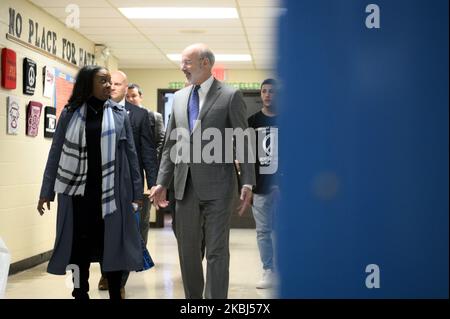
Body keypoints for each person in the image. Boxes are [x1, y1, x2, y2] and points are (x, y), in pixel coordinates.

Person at [151, 43, 255, 299]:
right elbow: (171, 144)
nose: (182, 67)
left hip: (219, 186)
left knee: (217, 250)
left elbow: (243, 140)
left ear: (205, 63)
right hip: (184, 186)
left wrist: (248, 182)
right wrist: (161, 182)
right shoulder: (179, 98)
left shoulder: (230, 96)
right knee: (187, 251)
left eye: (187, 62)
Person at [37, 65, 144, 299]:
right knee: (78, 250)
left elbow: (131, 156)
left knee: (113, 247)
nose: (109, 86)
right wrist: (46, 191)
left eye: (110, 81)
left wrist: (137, 192)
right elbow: (55, 153)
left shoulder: (118, 114)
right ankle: (79, 293)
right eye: (103, 81)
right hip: (77, 195)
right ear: (88, 84)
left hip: (112, 194)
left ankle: (116, 292)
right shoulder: (69, 114)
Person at [97, 71, 157, 297]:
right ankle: (107, 271)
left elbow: (148, 152)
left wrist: (153, 184)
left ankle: (119, 280)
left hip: (131, 185)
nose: (111, 86)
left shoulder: (140, 115)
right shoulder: (96, 110)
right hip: (103, 184)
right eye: (108, 83)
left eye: (116, 83)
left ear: (125, 87)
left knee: (130, 233)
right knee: (105, 232)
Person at [247, 78, 280, 289]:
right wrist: (248, 185)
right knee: (263, 231)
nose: (268, 95)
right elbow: (248, 156)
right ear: (260, 94)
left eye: (272, 91)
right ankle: (269, 270)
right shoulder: (252, 121)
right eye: (264, 91)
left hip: (285, 186)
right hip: (260, 185)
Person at [127, 83, 165, 161]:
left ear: (140, 97)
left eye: (134, 96)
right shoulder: (123, 117)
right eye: (127, 97)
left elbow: (161, 142)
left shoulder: (155, 116)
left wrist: (152, 162)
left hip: (149, 163)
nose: (130, 99)